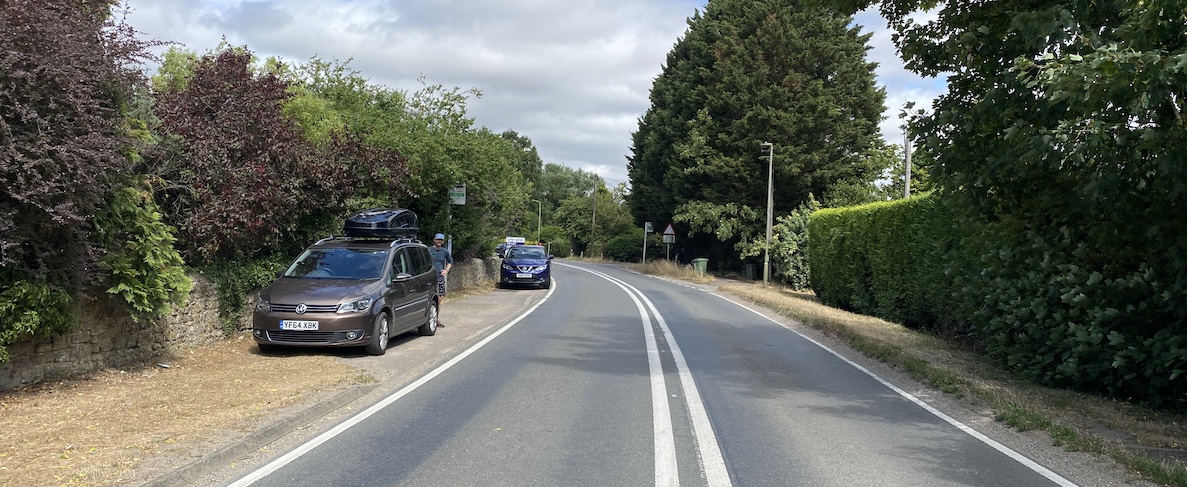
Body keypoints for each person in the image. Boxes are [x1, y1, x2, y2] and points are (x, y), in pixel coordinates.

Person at [428, 233, 453, 327]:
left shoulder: (445, 252)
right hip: (430, 278)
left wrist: (446, 270)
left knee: (439, 298)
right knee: (429, 298)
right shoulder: (429, 250)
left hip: (440, 278)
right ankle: (428, 318)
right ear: (434, 240)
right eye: (438, 240)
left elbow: (451, 261)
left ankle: (436, 318)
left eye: (441, 240)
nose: (439, 241)